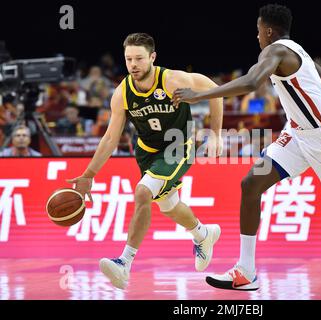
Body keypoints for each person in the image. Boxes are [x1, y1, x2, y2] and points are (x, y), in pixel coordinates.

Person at [173, 4, 321, 298]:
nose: (257, 36)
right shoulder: (297, 52)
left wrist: (199, 95)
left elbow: (251, 82)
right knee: (251, 184)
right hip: (297, 135)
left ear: (269, 31)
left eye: (259, 31)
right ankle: (246, 271)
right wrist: (308, 115)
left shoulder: (274, 51)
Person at [67, 33, 224, 290]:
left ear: (152, 57)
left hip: (178, 145)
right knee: (169, 205)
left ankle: (124, 263)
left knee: (142, 193)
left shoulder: (173, 80)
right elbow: (109, 138)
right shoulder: (122, 93)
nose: (133, 64)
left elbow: (215, 91)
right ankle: (203, 234)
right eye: (129, 59)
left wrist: (216, 134)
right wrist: (88, 174)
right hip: (146, 150)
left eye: (139, 58)